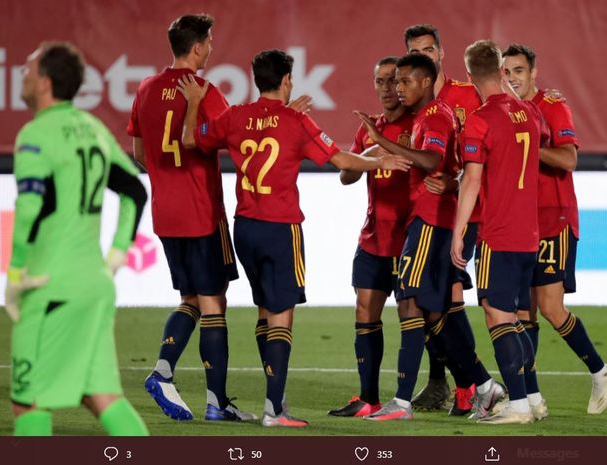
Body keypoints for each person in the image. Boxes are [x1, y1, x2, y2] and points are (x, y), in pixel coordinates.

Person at [178, 49, 411, 426]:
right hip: (280, 229)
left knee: (264, 312)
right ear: (286, 80)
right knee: (282, 318)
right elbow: (341, 160)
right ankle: (274, 410)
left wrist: (193, 104)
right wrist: (378, 161)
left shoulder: (234, 117)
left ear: (256, 80)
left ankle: (277, 400)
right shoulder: (295, 122)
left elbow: (191, 138)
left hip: (245, 227)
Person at [6, 42, 148, 436]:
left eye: (29, 69)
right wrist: (117, 254)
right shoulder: (94, 129)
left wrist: (16, 274)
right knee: (102, 397)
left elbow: (29, 209)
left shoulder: (35, 134)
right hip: (94, 285)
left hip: (50, 284)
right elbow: (136, 192)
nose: (23, 74)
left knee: (28, 400)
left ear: (46, 83)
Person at [354, 53, 502, 421]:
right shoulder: (425, 116)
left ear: (425, 82)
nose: (398, 88)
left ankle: (402, 403)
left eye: (405, 81)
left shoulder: (435, 115)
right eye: (394, 82)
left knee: (411, 301)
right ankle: (484, 386)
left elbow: (431, 161)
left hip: (431, 220)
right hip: (429, 220)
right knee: (434, 310)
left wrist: (381, 142)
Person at [127, 14, 256, 422]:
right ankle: (213, 401)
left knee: (190, 300)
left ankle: (166, 373)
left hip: (166, 213)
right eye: (209, 42)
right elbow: (227, 141)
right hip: (202, 212)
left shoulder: (145, 89)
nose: (212, 49)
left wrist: (166, 180)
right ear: (198, 46)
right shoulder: (205, 92)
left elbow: (138, 153)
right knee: (214, 303)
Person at [503, 44, 607, 414]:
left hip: (555, 217)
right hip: (520, 222)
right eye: (506, 71)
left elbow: (568, 158)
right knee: (523, 314)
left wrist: (526, 144)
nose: (512, 78)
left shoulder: (552, 106)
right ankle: (531, 398)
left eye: (519, 71)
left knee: (551, 309)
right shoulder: (505, 112)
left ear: (533, 73)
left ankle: (600, 370)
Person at [451, 39, 548, 424]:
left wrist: (459, 232)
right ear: (503, 72)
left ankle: (520, 405)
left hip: (498, 232)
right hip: (529, 233)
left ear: (471, 75)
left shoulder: (480, 118)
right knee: (513, 316)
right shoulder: (529, 113)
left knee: (496, 314)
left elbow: (471, 181)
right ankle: (534, 397)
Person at [403, 24, 484, 413]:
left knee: (446, 296)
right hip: (428, 213)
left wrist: (456, 180)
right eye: (418, 50)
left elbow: (500, 131)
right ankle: (444, 383)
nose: (427, 54)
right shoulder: (412, 102)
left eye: (430, 49)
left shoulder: (468, 94)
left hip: (467, 211)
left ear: (441, 53)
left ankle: (472, 385)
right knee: (431, 299)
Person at [327, 56, 414, 418]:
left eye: (393, 81)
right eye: (379, 81)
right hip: (373, 237)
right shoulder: (370, 129)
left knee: (415, 316)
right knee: (365, 311)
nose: (386, 88)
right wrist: (371, 153)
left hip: (409, 237)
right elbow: (346, 176)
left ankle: (418, 396)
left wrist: (389, 149)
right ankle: (368, 398)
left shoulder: (417, 124)